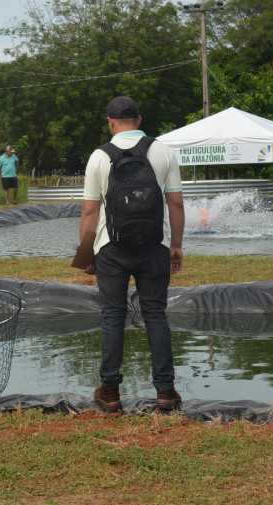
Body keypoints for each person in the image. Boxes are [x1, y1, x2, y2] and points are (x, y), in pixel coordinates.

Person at [79, 96, 185, 412]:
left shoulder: (99, 156)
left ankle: (109, 392)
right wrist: (175, 245)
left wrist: (86, 254)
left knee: (112, 316)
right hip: (154, 247)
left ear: (110, 123)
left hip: (111, 249)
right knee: (155, 314)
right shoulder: (163, 151)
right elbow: (176, 204)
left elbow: (88, 211)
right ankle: (166, 392)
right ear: (139, 120)